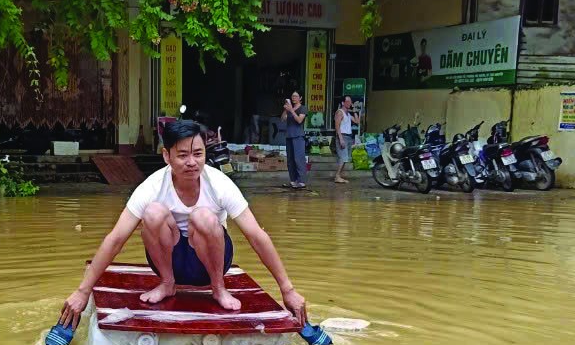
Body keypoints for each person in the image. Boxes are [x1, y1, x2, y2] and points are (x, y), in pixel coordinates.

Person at [59, 119, 307, 329]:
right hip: (171, 262)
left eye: (198, 154)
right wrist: (82, 292)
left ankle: (218, 289)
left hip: (211, 261)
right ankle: (168, 285)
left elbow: (256, 235)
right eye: (183, 155)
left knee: (204, 216)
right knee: (153, 213)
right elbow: (115, 239)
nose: (192, 162)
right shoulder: (152, 187)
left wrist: (288, 289)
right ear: (166, 156)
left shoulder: (220, 184)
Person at [281, 90, 308, 189]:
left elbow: (299, 120)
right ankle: (293, 180)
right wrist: (285, 109)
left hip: (298, 136)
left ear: (300, 98)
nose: (294, 98)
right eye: (292, 96)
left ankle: (301, 181)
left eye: (296, 96)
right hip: (289, 135)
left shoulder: (303, 108)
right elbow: (283, 119)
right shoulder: (289, 108)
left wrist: (291, 110)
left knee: (298, 159)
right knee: (290, 160)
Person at [333, 95, 355, 185]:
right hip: (342, 136)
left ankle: (338, 176)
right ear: (343, 103)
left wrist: (354, 111)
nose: (350, 103)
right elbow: (337, 126)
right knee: (343, 157)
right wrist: (341, 139)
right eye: (348, 101)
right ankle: (337, 176)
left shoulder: (348, 114)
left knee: (346, 158)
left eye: (350, 101)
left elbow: (357, 121)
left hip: (349, 137)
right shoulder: (340, 112)